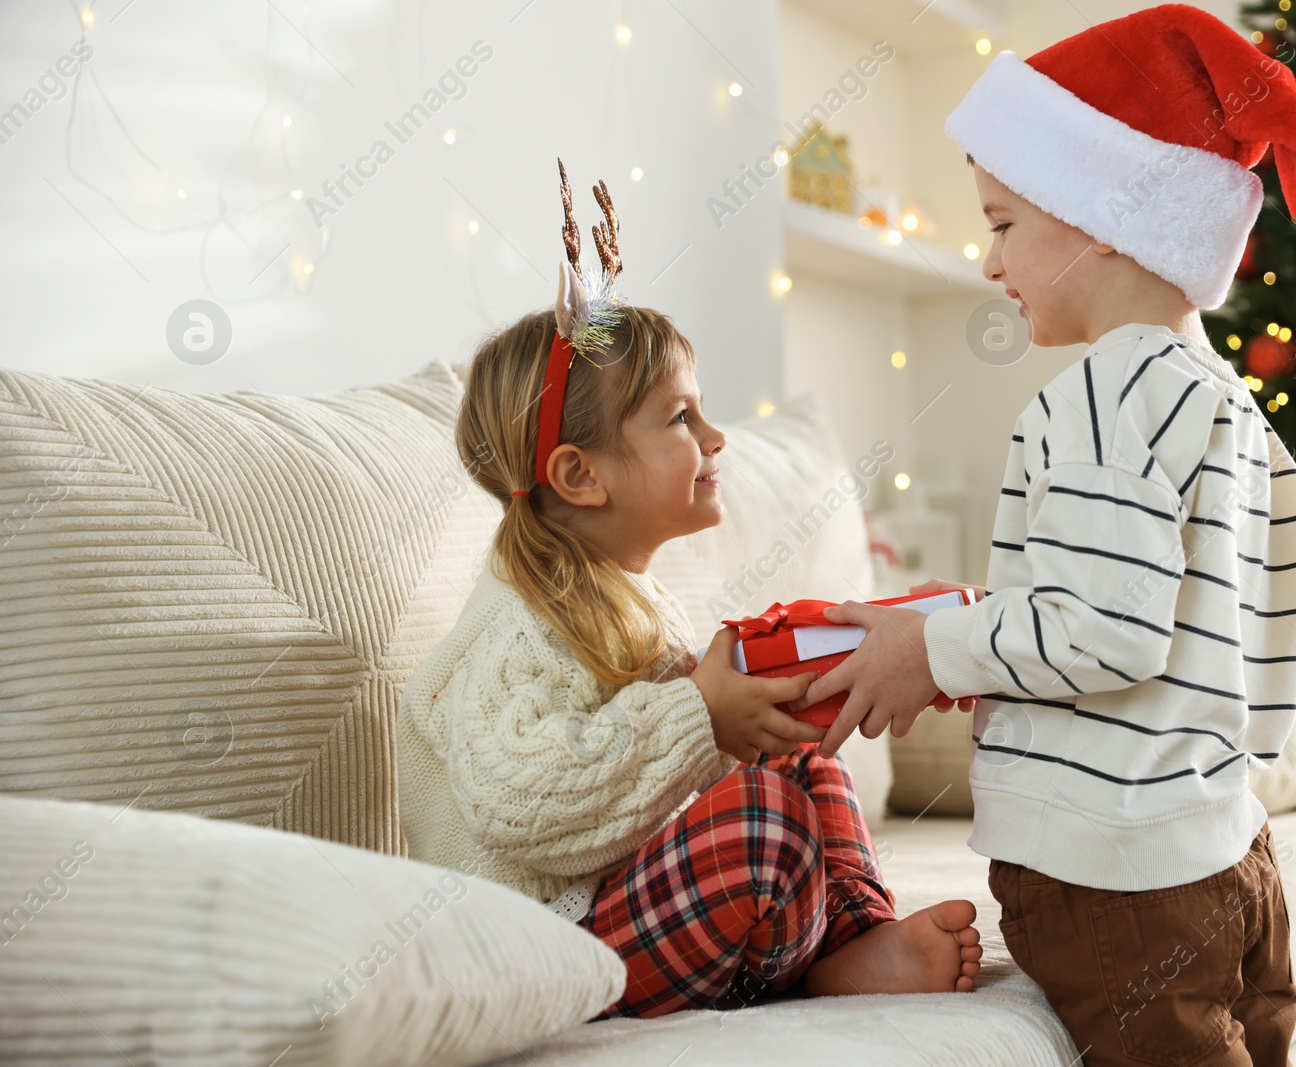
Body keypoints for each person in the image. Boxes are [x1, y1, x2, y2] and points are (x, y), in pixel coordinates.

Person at [796, 5, 1296, 1063]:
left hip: (1114, 876)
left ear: (1103, 217)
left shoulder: (1096, 397)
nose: (989, 263)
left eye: (1001, 224)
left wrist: (931, 646)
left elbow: (1103, 632)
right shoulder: (1218, 399)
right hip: (1223, 850)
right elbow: (1266, 596)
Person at [396, 160, 983, 1020]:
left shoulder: (628, 597)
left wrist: (781, 700)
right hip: (548, 946)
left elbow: (671, 770)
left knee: (798, 757)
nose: (715, 436)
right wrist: (699, 716)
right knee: (759, 820)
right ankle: (818, 962)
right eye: (681, 418)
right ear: (579, 474)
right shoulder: (512, 633)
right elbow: (518, 803)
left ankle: (855, 941)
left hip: (627, 899)